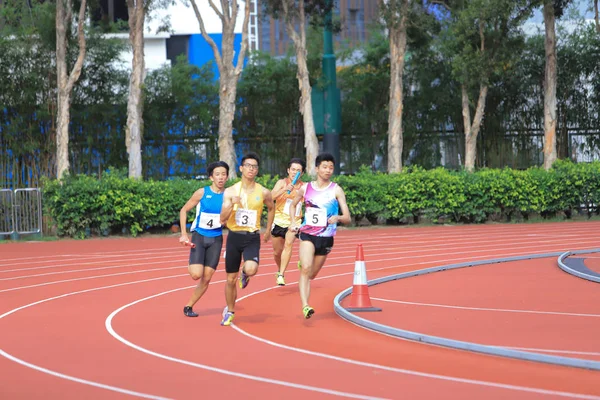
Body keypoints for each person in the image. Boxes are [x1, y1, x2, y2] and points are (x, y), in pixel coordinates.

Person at [289, 153, 351, 319]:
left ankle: (304, 263)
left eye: (331, 167)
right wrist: (294, 221)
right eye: (324, 167)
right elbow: (293, 204)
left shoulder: (336, 190)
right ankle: (305, 306)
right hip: (307, 234)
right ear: (317, 169)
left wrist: (337, 218)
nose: (328, 170)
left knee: (311, 275)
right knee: (306, 269)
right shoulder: (305, 188)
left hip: (326, 238)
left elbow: (348, 217)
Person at [219, 152, 275, 326]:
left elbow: (271, 208)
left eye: (255, 166)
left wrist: (268, 230)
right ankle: (230, 310)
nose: (251, 169)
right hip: (234, 236)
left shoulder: (263, 191)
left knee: (251, 269)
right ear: (241, 168)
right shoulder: (230, 191)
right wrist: (231, 204)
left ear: (257, 170)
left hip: (252, 236)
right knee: (230, 279)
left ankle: (245, 273)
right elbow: (222, 218)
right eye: (248, 166)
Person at [178, 161, 229, 318]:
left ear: (227, 177)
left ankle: (188, 306)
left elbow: (231, 221)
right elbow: (183, 210)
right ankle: (193, 262)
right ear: (211, 177)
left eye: (223, 174)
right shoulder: (202, 193)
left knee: (206, 278)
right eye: (217, 174)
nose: (220, 177)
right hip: (199, 237)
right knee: (196, 275)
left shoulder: (229, 196)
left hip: (216, 239)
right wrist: (184, 234)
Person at [270, 158, 306, 286]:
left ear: (301, 173)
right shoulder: (281, 183)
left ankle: (281, 275)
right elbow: (270, 198)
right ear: (288, 170)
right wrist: (284, 190)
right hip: (279, 221)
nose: (295, 172)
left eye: (298, 170)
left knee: (288, 244)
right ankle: (280, 269)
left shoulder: (304, 187)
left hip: (294, 221)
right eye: (293, 169)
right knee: (277, 252)